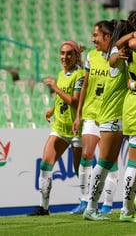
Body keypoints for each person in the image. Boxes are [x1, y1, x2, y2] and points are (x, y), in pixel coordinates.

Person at [28, 41, 85, 216]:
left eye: (69, 53)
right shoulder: (62, 74)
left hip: (77, 129)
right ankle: (44, 207)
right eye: (62, 53)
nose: (64, 57)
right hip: (60, 126)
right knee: (46, 162)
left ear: (76, 56)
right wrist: (52, 110)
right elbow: (62, 99)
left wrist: (55, 88)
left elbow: (75, 101)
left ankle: (87, 201)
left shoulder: (81, 75)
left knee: (79, 169)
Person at [71, 21, 118, 215]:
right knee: (86, 155)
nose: (93, 39)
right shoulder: (91, 56)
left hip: (110, 114)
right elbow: (85, 85)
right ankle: (84, 200)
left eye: (96, 35)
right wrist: (79, 113)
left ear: (107, 36)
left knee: (109, 161)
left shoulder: (117, 57)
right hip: (91, 113)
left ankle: (107, 204)